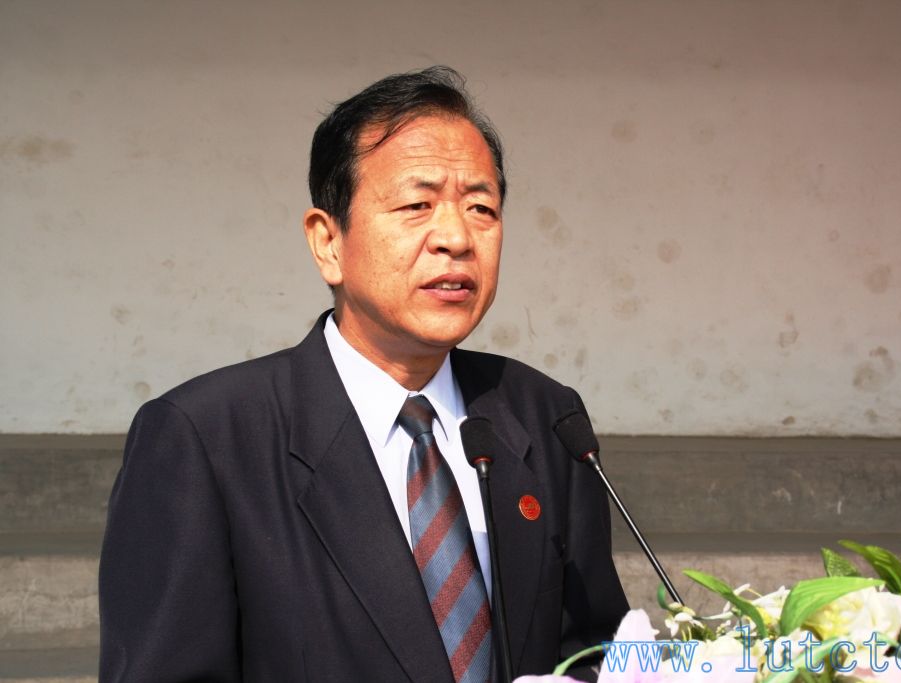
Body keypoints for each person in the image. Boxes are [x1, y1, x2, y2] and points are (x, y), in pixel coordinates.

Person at [99, 66, 628, 682]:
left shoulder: (544, 415)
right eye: (416, 205)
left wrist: (708, 660)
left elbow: (602, 649)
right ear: (328, 242)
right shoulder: (207, 437)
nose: (456, 237)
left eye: (481, 207)